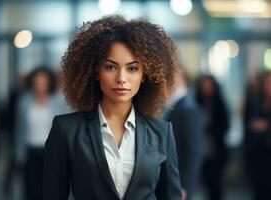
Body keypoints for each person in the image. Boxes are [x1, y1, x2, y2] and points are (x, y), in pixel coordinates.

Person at [43, 15, 182, 200]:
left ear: (145, 75)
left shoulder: (162, 132)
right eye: (110, 67)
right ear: (94, 72)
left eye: (132, 68)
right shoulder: (66, 130)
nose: (121, 78)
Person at [14, 66, 57, 200]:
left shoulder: (57, 103)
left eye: (44, 82)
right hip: (30, 152)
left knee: (50, 191)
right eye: (37, 82)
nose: (40, 86)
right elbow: (19, 130)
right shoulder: (24, 102)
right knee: (31, 191)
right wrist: (18, 155)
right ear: (32, 84)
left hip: (51, 153)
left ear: (49, 84)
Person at [162, 68, 203, 200]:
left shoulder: (187, 108)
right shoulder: (175, 106)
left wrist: (184, 186)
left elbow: (193, 151)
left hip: (179, 183)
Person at [195, 75, 229, 200]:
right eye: (204, 86)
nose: (207, 88)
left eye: (209, 86)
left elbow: (225, 126)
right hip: (201, 151)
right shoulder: (196, 103)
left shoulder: (220, 104)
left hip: (216, 150)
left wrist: (210, 127)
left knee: (216, 186)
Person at [243, 72, 271, 200]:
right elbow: (248, 123)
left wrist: (267, 125)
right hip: (257, 154)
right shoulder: (256, 101)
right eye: (267, 83)